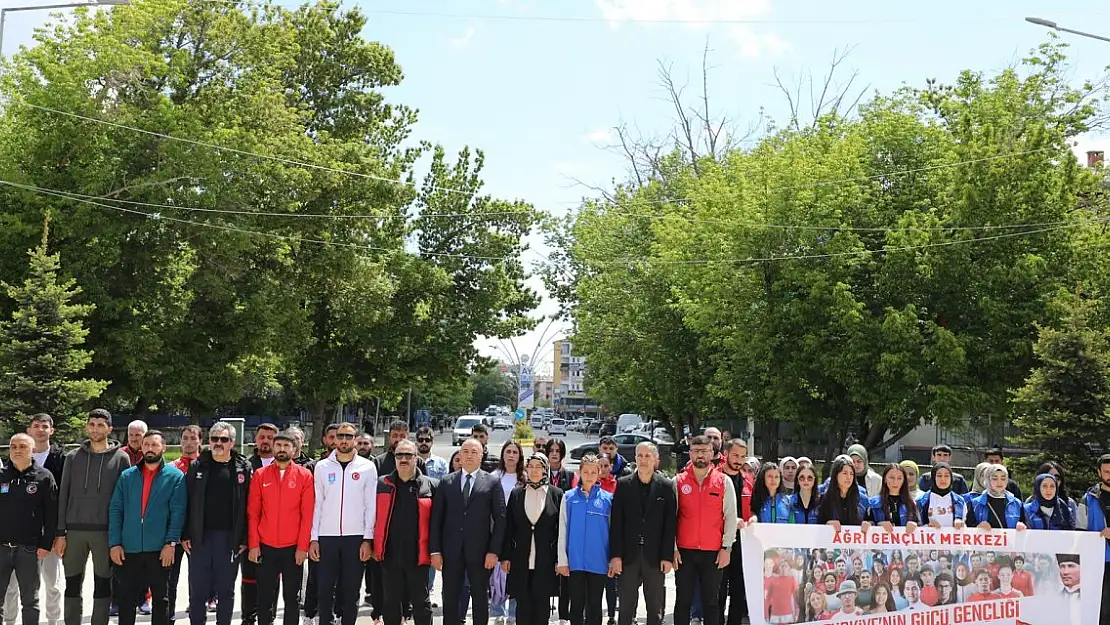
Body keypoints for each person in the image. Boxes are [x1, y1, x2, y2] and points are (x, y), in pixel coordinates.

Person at [55, 409, 131, 625]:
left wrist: (120, 537)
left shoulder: (121, 458)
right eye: (92, 424)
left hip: (105, 532)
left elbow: (125, 500)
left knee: (103, 584)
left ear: (109, 428)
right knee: (72, 584)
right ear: (87, 426)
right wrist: (60, 533)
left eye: (100, 425)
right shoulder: (72, 457)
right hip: (74, 532)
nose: (95, 428)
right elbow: (64, 495)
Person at [107, 431, 186, 625]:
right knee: (126, 599)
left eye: (155, 445)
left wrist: (171, 543)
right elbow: (116, 509)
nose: (150, 448)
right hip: (129, 548)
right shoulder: (127, 476)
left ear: (163, 448)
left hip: (159, 549)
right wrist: (114, 543)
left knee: (161, 598)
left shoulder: (175, 476)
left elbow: (177, 513)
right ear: (141, 447)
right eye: (146, 444)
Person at [182, 422, 253, 625]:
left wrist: (244, 537)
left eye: (224, 439)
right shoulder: (197, 466)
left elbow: (249, 506)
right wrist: (185, 533)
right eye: (215, 439)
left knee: (226, 591)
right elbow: (187, 502)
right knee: (198, 590)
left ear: (232, 442)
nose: (218, 443)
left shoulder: (242, 468)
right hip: (200, 537)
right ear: (209, 441)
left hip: (229, 539)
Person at [431, 438, 506, 625]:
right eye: (465, 451)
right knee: (450, 597)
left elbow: (501, 519)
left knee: (480, 597)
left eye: (474, 452)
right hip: (451, 551)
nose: (469, 455)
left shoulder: (492, 482)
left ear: (481, 456)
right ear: (459, 455)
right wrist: (435, 551)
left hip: (480, 553)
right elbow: (436, 519)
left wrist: (494, 551)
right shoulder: (447, 482)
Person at [310, 423, 377, 625]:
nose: (344, 440)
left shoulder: (367, 467)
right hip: (327, 537)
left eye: (349, 436)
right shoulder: (322, 467)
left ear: (355, 439)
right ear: (334, 439)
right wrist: (314, 538)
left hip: (355, 538)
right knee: (324, 590)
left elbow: (370, 506)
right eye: (340, 436)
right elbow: (317, 505)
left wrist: (367, 538)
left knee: (350, 590)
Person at [4, 415, 65, 625]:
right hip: (7, 545)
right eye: (14, 446)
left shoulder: (47, 473)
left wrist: (50, 540)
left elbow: (52, 511)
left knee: (42, 591)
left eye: (22, 446)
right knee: (8, 592)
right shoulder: (3, 473)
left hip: (36, 544)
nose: (17, 450)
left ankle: (53, 621)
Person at [248, 432, 314, 625]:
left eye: (287, 446)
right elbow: (253, 513)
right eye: (279, 445)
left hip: (293, 548)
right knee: (264, 597)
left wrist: (303, 547)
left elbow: (307, 515)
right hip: (266, 546)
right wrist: (254, 544)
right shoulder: (260, 475)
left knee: (292, 598)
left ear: (294, 449)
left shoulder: (304, 475)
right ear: (274, 448)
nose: (282, 449)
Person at [672, 436, 737, 625]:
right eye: (696, 451)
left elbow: (731, 517)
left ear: (712, 453)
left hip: (713, 552)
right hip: (684, 552)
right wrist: (673, 547)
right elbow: (671, 519)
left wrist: (727, 547)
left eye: (704, 451)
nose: (700, 455)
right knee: (683, 601)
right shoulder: (678, 481)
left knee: (711, 603)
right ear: (690, 453)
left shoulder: (724, 482)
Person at [609, 443, 675, 625]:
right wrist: (615, 556)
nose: (643, 460)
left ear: (655, 459)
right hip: (628, 557)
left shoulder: (666, 486)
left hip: (654, 557)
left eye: (647, 456)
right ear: (635, 458)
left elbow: (670, 525)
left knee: (655, 609)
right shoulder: (623, 485)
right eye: (640, 456)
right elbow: (616, 524)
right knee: (625, 608)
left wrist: (667, 556)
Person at [372, 439, 436, 625]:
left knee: (421, 604)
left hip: (418, 555)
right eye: (399, 455)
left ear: (416, 458)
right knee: (390, 603)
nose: (404, 459)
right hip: (389, 553)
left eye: (408, 455)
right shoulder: (381, 484)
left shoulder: (430, 486)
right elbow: (370, 517)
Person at [500, 453, 562, 625]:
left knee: (542, 610)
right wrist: (505, 556)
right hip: (521, 560)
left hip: (545, 561)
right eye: (531, 466)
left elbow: (559, 531)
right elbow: (509, 527)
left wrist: (559, 559)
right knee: (523, 609)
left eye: (539, 466)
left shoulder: (556, 494)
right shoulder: (517, 494)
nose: (534, 470)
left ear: (545, 469)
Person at [557, 454, 613, 625]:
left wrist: (612, 559)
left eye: (593, 472)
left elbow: (613, 532)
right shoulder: (568, 497)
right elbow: (563, 529)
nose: (589, 475)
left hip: (599, 562)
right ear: (579, 472)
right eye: (586, 471)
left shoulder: (608, 499)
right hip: (575, 562)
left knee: (595, 606)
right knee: (576, 605)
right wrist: (562, 560)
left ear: (598, 473)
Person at [168, 425, 203, 623]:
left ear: (200, 441)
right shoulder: (171, 467)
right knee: (170, 579)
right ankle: (169, 616)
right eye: (185, 438)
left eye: (193, 438)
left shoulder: (205, 467)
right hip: (175, 531)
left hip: (197, 533)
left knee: (197, 580)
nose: (189, 442)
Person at [716, 440, 750, 625]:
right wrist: (729, 522)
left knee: (738, 592)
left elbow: (753, 509)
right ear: (726, 454)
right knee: (718, 593)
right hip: (719, 544)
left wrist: (752, 518)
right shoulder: (715, 478)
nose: (738, 460)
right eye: (735, 455)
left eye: (743, 456)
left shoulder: (748, 481)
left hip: (742, 545)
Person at [491, 443, 524, 625]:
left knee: (514, 572)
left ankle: (513, 613)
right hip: (496, 531)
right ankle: (496, 611)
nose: (511, 455)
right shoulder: (493, 477)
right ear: (503, 455)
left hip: (517, 533)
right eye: (508, 452)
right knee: (495, 574)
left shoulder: (524, 478)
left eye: (515, 452)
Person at [1083, 454, 1110, 624]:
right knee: (1103, 609)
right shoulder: (1088, 498)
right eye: (1106, 471)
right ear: (1099, 472)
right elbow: (1078, 529)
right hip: (1100, 561)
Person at [817, 457, 871, 531]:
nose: (848, 477)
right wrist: (827, 524)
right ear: (836, 475)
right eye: (844, 473)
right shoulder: (823, 498)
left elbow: (871, 519)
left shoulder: (862, 499)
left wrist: (869, 524)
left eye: (851, 474)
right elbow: (816, 523)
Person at [967, 464, 1027, 530]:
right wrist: (977, 527)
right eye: (994, 478)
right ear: (988, 480)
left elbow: (1027, 526)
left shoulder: (1017, 504)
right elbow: (967, 527)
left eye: (1003, 478)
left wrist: (1022, 526)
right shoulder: (975, 503)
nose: (999, 482)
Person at [868, 464, 918, 532]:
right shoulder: (872, 503)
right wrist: (877, 525)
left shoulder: (911, 504)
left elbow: (922, 526)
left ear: (904, 481)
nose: (895, 482)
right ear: (885, 479)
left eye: (899, 478)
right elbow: (865, 525)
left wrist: (915, 525)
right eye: (891, 477)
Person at [916, 462, 966, 528]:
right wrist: (927, 527)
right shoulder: (921, 501)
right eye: (939, 476)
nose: (943, 479)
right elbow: (916, 528)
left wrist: (961, 524)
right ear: (933, 477)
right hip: (930, 537)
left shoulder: (959, 501)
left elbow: (967, 529)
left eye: (946, 476)